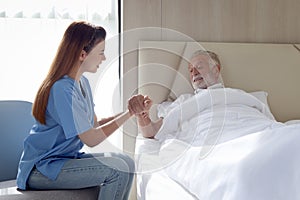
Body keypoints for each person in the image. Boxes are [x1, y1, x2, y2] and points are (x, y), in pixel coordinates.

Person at [16, 21, 145, 200]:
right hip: (41, 169)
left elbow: (94, 126)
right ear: (83, 54)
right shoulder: (61, 89)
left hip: (63, 161)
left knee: (127, 163)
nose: (104, 58)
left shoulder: (82, 83)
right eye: (101, 53)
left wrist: (130, 110)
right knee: (117, 170)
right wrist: (129, 114)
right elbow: (91, 139)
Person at [128, 50, 223, 139]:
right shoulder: (185, 101)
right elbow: (151, 131)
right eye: (190, 70)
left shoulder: (235, 97)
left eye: (199, 67)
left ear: (216, 70)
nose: (194, 73)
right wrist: (141, 115)